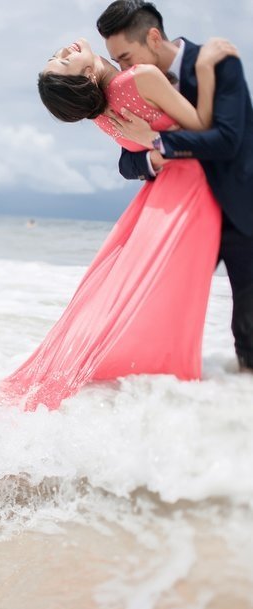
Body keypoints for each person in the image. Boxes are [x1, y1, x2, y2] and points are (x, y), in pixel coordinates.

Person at [0, 36, 233, 434]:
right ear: (83, 77)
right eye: (60, 62)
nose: (61, 50)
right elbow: (203, 131)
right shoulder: (138, 79)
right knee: (165, 292)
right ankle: (179, 391)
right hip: (187, 189)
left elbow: (133, 157)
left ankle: (151, 387)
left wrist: (150, 147)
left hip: (163, 194)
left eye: (55, 56)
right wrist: (205, 69)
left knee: (127, 293)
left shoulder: (101, 111)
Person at [96, 0, 253, 372]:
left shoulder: (217, 62)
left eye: (126, 58)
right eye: (116, 62)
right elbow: (126, 160)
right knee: (154, 301)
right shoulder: (129, 85)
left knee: (248, 317)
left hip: (237, 208)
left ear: (153, 37)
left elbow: (228, 140)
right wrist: (150, 155)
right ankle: (151, 392)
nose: (122, 70)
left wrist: (157, 140)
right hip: (180, 213)